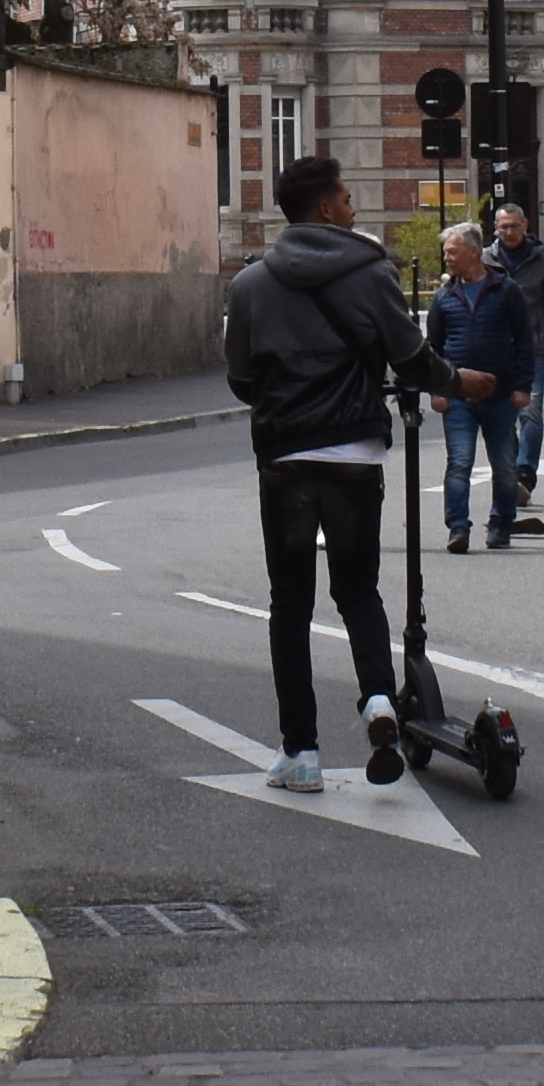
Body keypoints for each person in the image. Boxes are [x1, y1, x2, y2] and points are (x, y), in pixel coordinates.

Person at [224, 155, 503, 788]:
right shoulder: (371, 274)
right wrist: (460, 383)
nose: (354, 209)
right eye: (347, 199)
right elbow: (412, 358)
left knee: (290, 604)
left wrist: (282, 403)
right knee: (358, 592)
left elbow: (241, 380)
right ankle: (378, 699)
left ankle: (301, 753)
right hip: (355, 455)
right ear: (324, 208)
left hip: (287, 461)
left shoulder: (249, 287)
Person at [431, 218, 544, 550]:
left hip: (499, 396)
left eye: (452, 252)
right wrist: (438, 388)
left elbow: (524, 341)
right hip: (457, 397)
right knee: (460, 461)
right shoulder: (444, 296)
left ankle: (501, 523)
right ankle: (458, 527)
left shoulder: (505, 289)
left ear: (472, 252)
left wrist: (522, 386)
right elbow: (434, 348)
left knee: (504, 463)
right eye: (446, 252)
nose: (447, 258)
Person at [490, 200, 544, 532]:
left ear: (525, 226)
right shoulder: (486, 259)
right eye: (503, 227)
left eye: (514, 226)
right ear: (496, 228)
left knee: (531, 412)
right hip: (496, 351)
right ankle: (510, 472)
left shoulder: (543, 258)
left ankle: (524, 473)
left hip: (533, 348)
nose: (509, 232)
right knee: (503, 415)